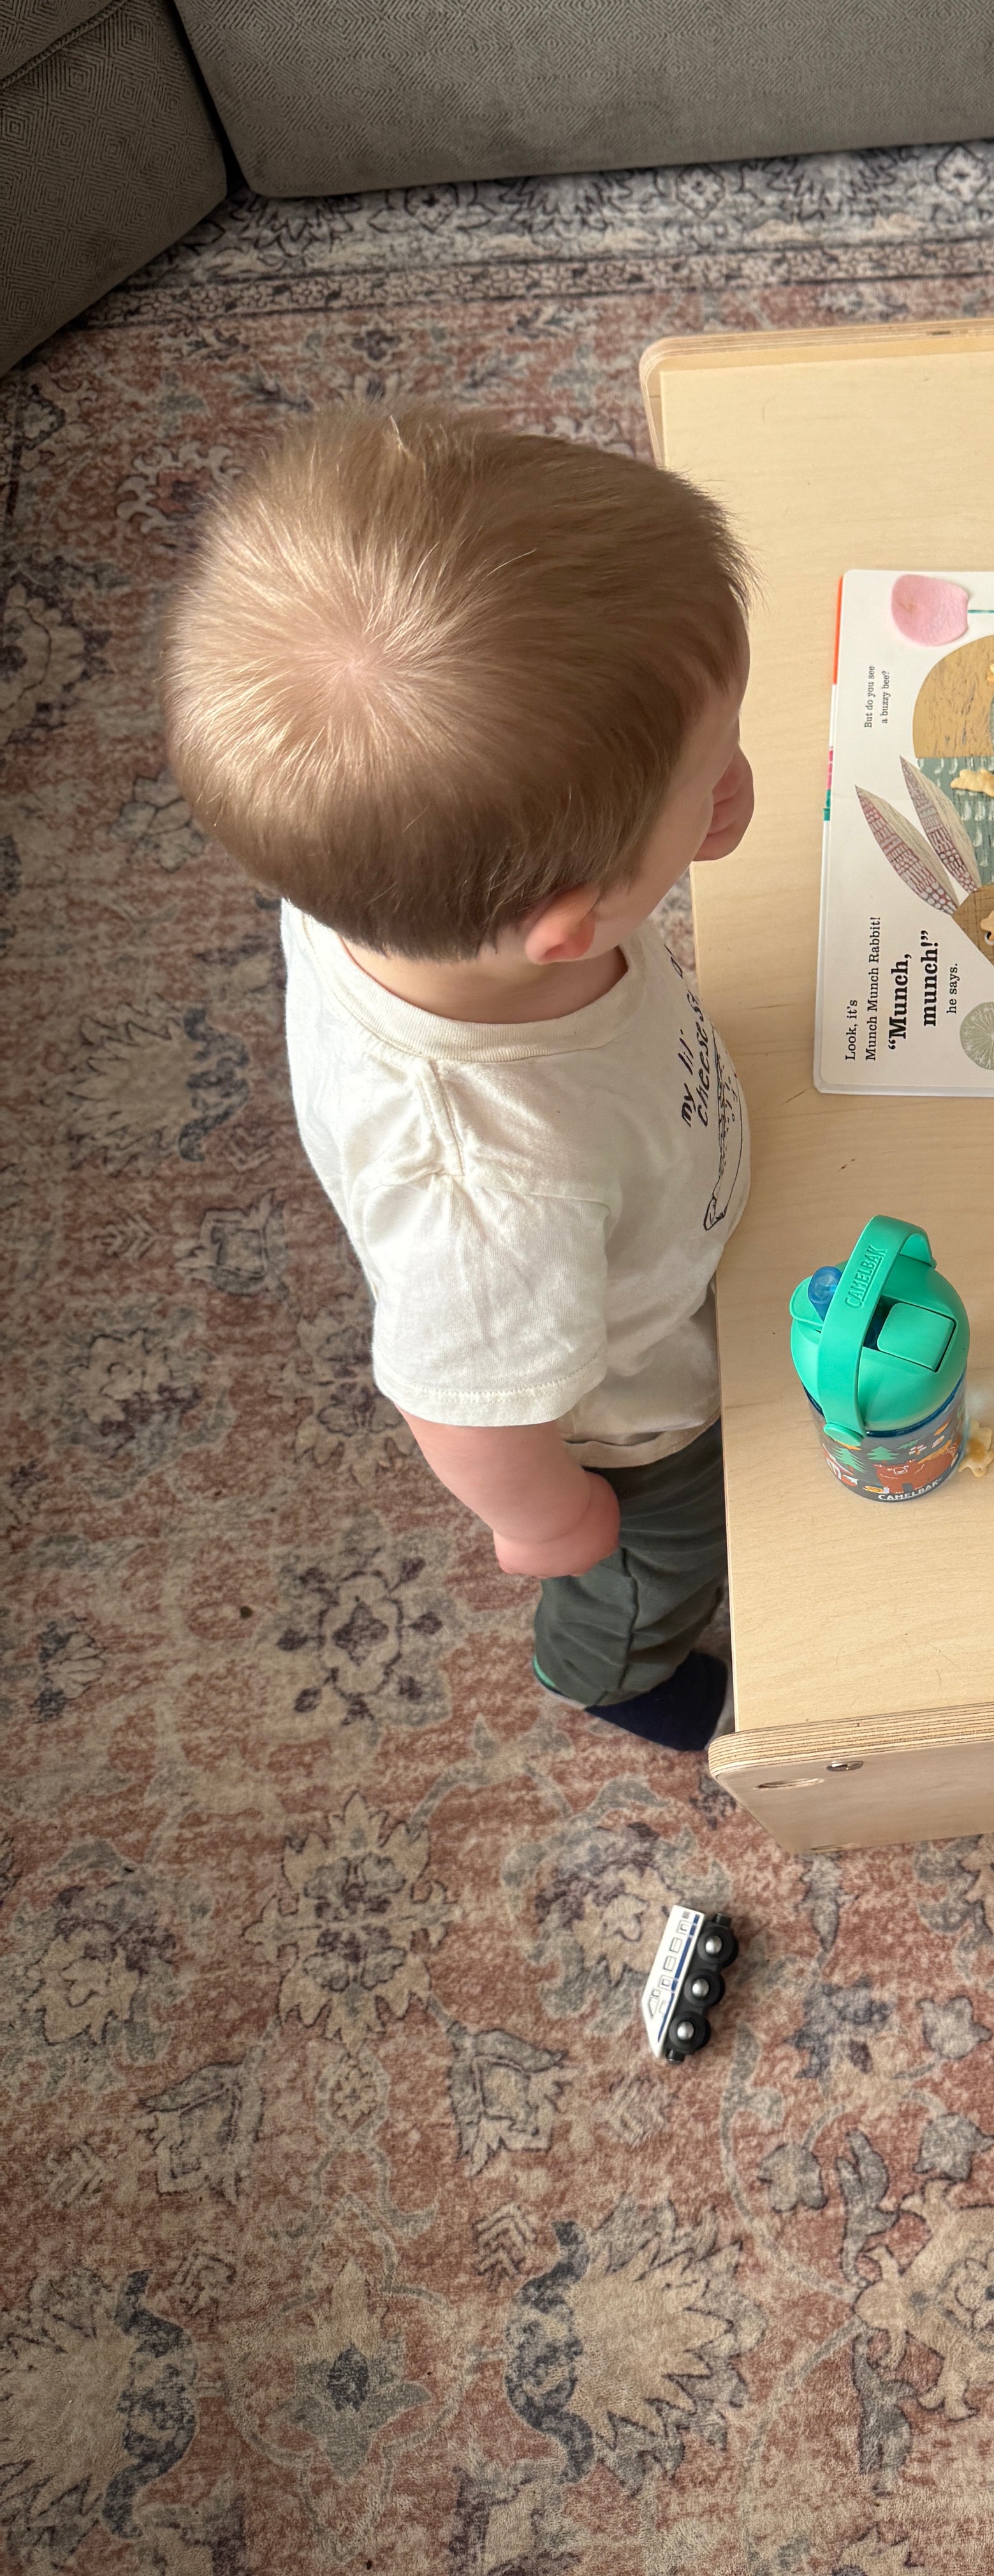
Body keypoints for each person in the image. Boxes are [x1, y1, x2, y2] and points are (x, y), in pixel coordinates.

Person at [164, 403, 754, 1749]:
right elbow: (459, 1399)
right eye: (712, 761)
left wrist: (692, 807)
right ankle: (615, 1673)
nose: (730, 765)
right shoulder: (487, 1191)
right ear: (575, 923)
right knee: (653, 1568)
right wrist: (547, 1518)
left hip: (646, 1160)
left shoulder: (381, 877)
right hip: (640, 1429)